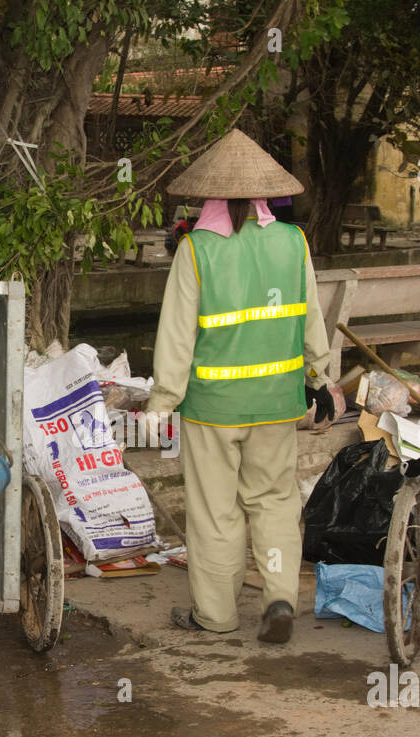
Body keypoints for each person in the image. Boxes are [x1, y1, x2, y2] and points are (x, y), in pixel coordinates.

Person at [147, 129, 334, 645]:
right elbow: (311, 320)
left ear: (209, 197)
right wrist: (319, 378)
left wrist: (161, 402)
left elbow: (177, 337)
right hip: (277, 402)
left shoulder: (196, 250)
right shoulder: (292, 243)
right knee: (274, 502)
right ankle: (278, 597)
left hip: (212, 409)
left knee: (215, 512)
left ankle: (216, 615)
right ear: (261, 195)